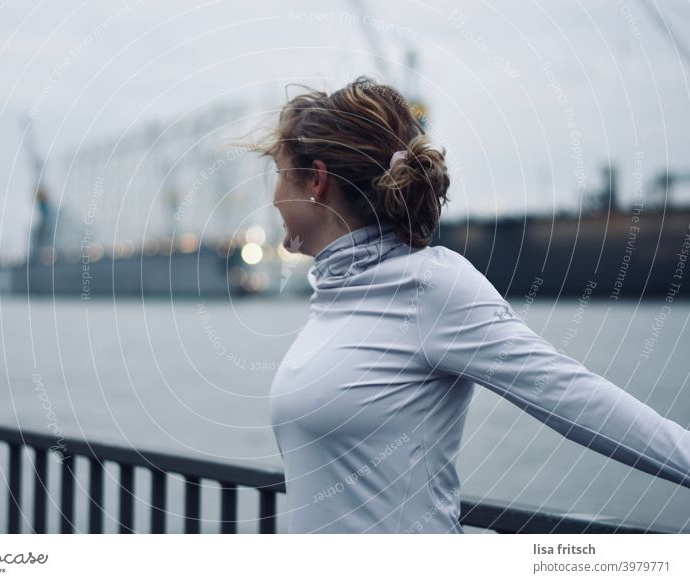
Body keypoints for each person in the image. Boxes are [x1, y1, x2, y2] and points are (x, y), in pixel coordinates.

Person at [255, 76, 690, 534]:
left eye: (281, 176)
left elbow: (572, 394)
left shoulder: (430, 286)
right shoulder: (334, 294)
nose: (274, 197)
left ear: (316, 182)